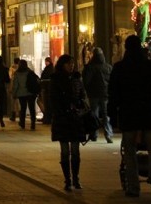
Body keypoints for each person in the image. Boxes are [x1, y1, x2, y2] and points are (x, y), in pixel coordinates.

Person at [108, 35, 151, 198]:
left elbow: (113, 93)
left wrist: (112, 115)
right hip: (150, 114)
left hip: (130, 114)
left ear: (126, 48)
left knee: (130, 151)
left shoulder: (120, 68)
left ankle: (133, 186)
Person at [50, 54, 87, 192]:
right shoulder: (56, 79)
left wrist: (80, 108)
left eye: (72, 63)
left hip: (75, 118)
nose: (71, 66)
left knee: (76, 151)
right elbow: (53, 100)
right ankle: (68, 179)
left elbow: (82, 95)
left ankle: (76, 178)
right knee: (65, 151)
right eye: (68, 64)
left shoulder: (77, 78)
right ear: (62, 65)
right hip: (62, 119)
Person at [82, 46, 112, 143]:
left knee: (94, 114)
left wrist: (87, 90)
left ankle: (94, 134)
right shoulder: (107, 67)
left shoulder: (90, 67)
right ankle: (108, 134)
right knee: (105, 114)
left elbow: (86, 81)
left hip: (93, 94)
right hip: (105, 94)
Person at [11, 59, 38, 130]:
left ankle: (22, 123)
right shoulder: (30, 72)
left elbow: (16, 85)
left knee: (23, 108)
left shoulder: (17, 73)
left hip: (22, 94)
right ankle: (33, 124)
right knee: (32, 108)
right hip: (30, 93)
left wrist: (14, 93)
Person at [39, 57, 55, 124]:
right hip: (46, 88)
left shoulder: (49, 69)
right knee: (45, 103)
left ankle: (47, 117)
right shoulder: (50, 68)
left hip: (46, 88)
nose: (45, 63)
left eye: (46, 61)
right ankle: (46, 117)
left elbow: (45, 77)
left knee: (46, 103)